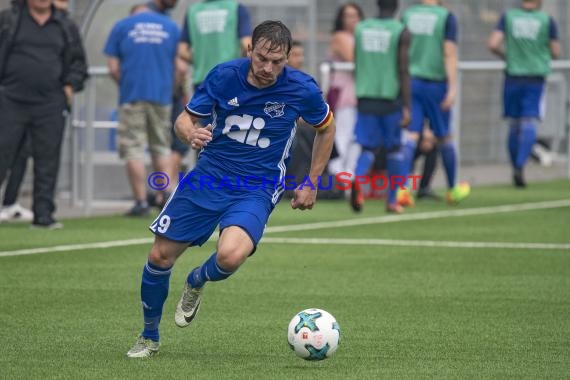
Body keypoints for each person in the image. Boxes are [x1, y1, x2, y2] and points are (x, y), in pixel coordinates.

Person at [125, 20, 336, 358]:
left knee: (230, 255)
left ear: (287, 59)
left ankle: (197, 280)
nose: (268, 68)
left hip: (257, 185)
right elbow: (185, 119)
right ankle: (149, 336)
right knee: (159, 257)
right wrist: (190, 134)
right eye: (262, 59)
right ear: (249, 50)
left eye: (277, 62)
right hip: (209, 177)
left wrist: (311, 180)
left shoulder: (302, 89)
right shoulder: (224, 76)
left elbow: (327, 128)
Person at [0, 0, 88, 229]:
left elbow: (79, 63)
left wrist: (70, 86)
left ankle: (43, 216)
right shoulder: (9, 19)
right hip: (10, 101)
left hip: (50, 103)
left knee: (47, 160)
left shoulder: (65, 26)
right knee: (2, 154)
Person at [103, 5, 180, 217]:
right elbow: (180, 66)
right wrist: (171, 89)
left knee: (133, 148)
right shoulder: (170, 27)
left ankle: (140, 202)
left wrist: (126, 83)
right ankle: (164, 195)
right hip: (161, 95)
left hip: (132, 95)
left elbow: (112, 66)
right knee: (161, 146)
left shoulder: (122, 26)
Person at [402, 0, 470, 205]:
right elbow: (449, 52)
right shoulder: (446, 17)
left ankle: (402, 190)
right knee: (444, 137)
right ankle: (452, 190)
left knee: (411, 135)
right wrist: (452, 87)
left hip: (410, 82)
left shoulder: (408, 15)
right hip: (435, 84)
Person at [487, 0, 560, 188]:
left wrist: (508, 56)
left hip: (513, 75)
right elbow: (555, 51)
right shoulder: (546, 20)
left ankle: (514, 165)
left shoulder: (509, 17)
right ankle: (520, 165)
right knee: (529, 120)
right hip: (535, 76)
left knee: (513, 123)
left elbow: (493, 43)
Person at [350, 0, 411, 214]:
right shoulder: (401, 31)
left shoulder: (361, 28)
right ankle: (392, 200)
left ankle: (358, 178)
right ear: (396, 6)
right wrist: (408, 105)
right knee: (394, 149)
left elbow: (357, 62)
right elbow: (403, 69)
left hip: (365, 95)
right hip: (390, 97)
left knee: (368, 147)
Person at [326, 2, 364, 177]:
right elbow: (354, 58)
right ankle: (336, 172)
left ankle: (350, 174)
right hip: (343, 92)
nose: (352, 20)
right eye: (348, 16)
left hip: (361, 91)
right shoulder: (340, 37)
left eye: (355, 16)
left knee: (357, 136)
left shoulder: (362, 36)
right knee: (342, 133)